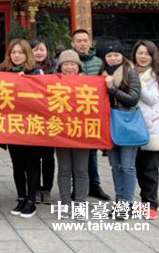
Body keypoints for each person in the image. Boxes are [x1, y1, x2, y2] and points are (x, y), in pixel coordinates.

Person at [101, 42, 141, 220]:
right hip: (109, 124)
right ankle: (120, 201)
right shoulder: (102, 74)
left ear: (122, 56)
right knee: (115, 166)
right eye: (109, 55)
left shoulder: (130, 72)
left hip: (126, 122)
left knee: (127, 166)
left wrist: (112, 88)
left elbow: (133, 98)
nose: (113, 58)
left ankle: (128, 203)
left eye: (116, 55)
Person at [71, 29, 111, 202]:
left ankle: (94, 185)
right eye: (78, 41)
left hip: (93, 114)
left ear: (90, 42)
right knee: (74, 153)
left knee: (92, 152)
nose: (82, 44)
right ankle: (77, 187)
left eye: (85, 40)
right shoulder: (69, 61)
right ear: (73, 44)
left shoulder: (99, 62)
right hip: (72, 114)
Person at [4, 39, 42, 219]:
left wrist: (26, 82)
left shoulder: (37, 72)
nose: (17, 55)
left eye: (20, 52)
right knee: (17, 164)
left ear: (28, 55)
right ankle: (21, 198)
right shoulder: (3, 73)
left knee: (31, 164)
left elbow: (43, 98)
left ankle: (31, 200)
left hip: (32, 126)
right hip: (13, 126)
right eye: (13, 52)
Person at [132, 40, 159, 220]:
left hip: (152, 128)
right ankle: (145, 200)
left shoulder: (158, 75)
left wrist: (135, 83)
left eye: (147, 53)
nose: (143, 56)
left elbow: (152, 98)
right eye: (140, 53)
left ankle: (151, 204)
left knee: (150, 169)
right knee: (138, 168)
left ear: (153, 56)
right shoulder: (130, 72)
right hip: (133, 127)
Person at [54, 50, 90, 220]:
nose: (69, 67)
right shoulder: (54, 82)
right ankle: (65, 203)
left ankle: (80, 203)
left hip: (82, 132)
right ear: (60, 67)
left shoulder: (89, 83)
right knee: (64, 169)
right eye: (66, 64)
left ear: (79, 66)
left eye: (73, 64)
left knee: (81, 169)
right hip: (61, 132)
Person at [31, 38, 56, 204]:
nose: (39, 53)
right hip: (31, 118)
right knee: (32, 156)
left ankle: (46, 189)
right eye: (35, 50)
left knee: (48, 156)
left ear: (47, 51)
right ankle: (34, 188)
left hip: (50, 118)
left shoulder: (54, 68)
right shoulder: (26, 68)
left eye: (42, 49)